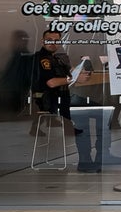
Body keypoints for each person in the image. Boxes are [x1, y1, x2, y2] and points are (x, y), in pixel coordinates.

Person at [31, 30, 94, 171]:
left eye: (56, 40)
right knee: (83, 117)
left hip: (62, 100)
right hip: (49, 101)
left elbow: (71, 75)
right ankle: (86, 162)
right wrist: (72, 78)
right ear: (42, 41)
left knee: (92, 109)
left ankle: (90, 158)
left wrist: (82, 73)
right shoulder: (42, 59)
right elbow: (52, 83)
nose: (53, 43)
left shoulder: (58, 58)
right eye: (49, 40)